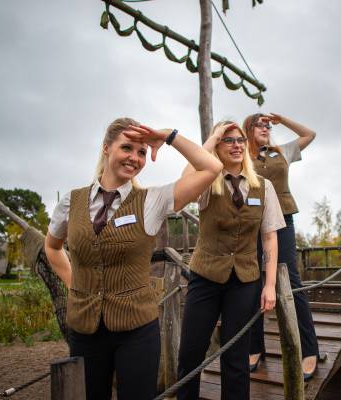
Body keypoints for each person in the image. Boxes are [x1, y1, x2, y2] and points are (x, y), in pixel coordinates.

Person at [44, 118, 223, 400]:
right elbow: (52, 248)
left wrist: (168, 136)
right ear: (106, 149)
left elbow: (211, 167)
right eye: (127, 148)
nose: (135, 158)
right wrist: (74, 286)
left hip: (137, 331)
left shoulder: (152, 200)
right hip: (85, 329)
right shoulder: (71, 201)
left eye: (141, 152)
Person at [177, 122, 286, 400]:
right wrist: (211, 138)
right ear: (217, 147)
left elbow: (270, 238)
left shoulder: (264, 187)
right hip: (205, 277)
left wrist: (270, 285)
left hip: (245, 281)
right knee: (191, 352)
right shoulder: (205, 182)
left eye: (239, 140)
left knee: (237, 357)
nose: (237, 145)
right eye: (228, 140)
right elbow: (184, 180)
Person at [242, 112, 319, 380]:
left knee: (291, 280)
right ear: (248, 130)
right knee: (252, 280)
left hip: (282, 219)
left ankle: (309, 349)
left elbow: (310, 134)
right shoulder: (241, 155)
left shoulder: (281, 151)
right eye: (259, 124)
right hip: (250, 220)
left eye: (267, 125)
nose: (265, 128)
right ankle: (254, 348)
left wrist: (282, 119)